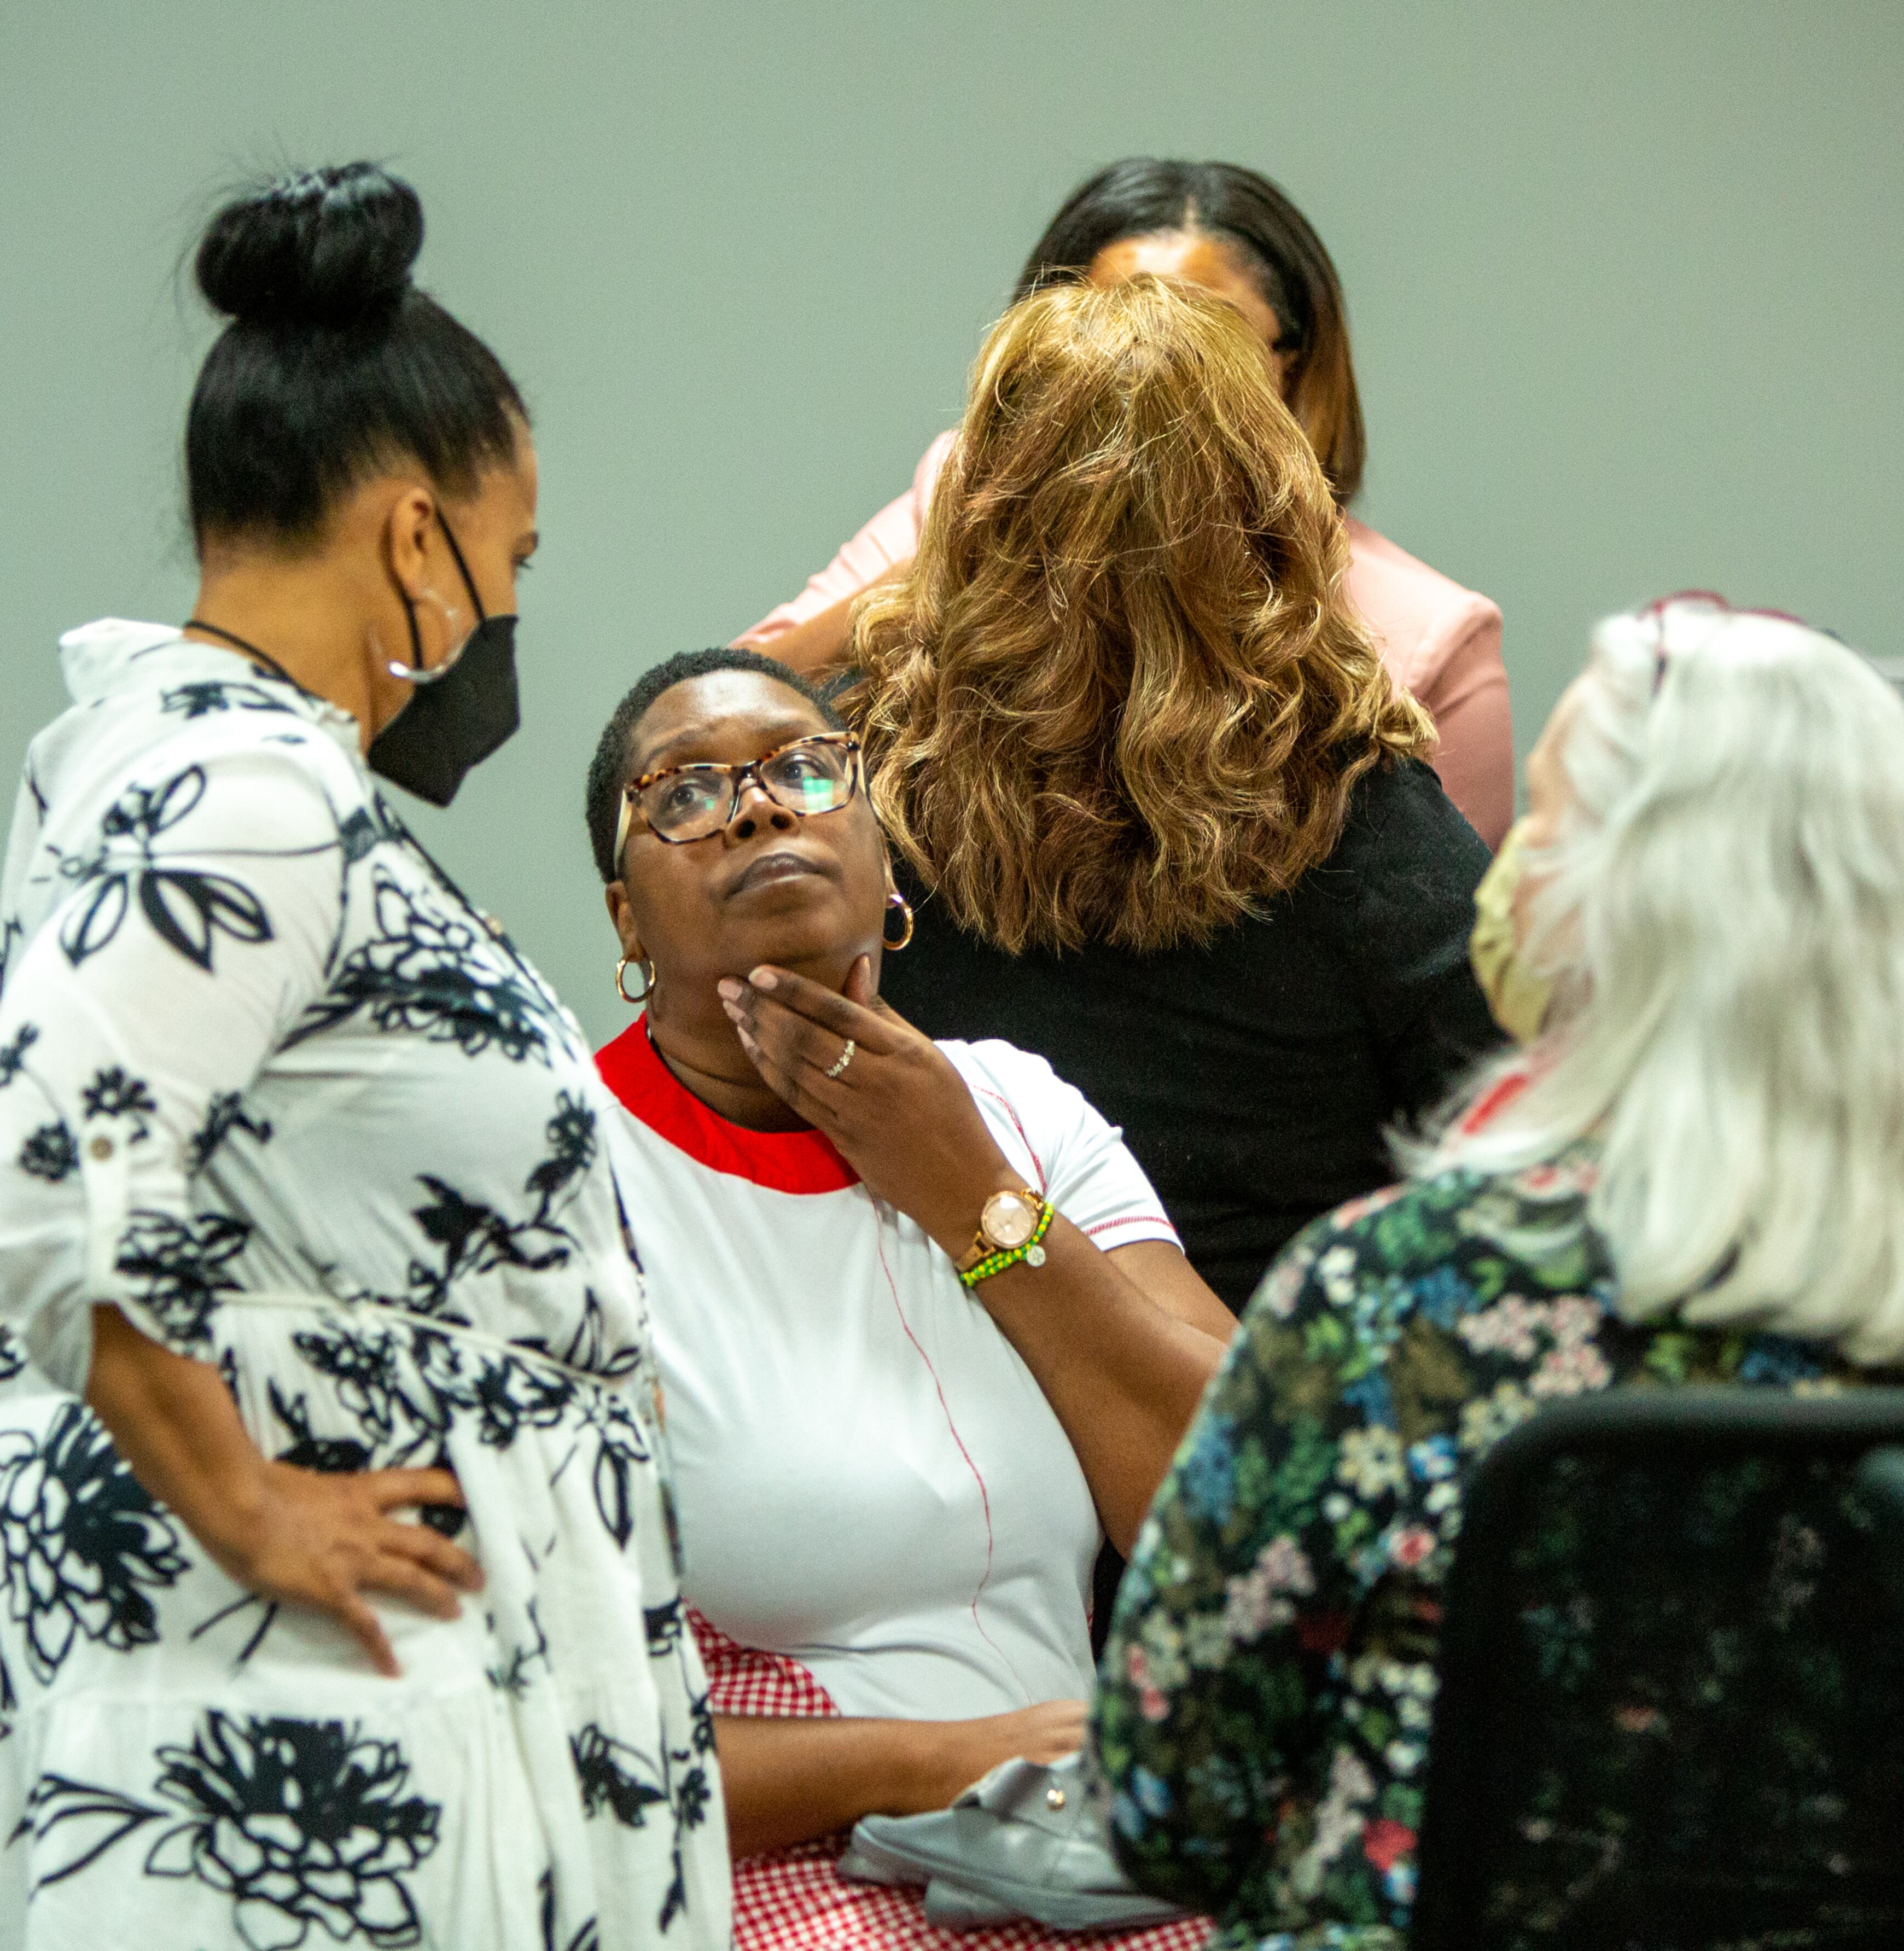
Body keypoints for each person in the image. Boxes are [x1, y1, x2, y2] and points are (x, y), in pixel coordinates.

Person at [0, 165, 730, 1949]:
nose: (508, 609)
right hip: (303, 1704)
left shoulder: (199, 762)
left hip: (331, 1684)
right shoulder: (251, 781)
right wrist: (246, 1501)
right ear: (409, 532)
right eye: (509, 558)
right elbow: (59, 1147)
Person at [1096, 595, 1904, 1947]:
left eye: (1541, 818)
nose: (1500, 868)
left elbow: (1168, 1796)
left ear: (1630, 908)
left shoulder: (1395, 1300)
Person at [583, 647, 1238, 1948]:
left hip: (1071, 1846)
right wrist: (932, 1755)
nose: (760, 807)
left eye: (804, 769)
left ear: (887, 865)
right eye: (687, 793)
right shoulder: (566, 1174)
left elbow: (1236, 1510)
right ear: (624, 923)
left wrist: (975, 1197)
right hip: (787, 1865)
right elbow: (555, 1744)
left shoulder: (1017, 1111)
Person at [839, 275, 1504, 1317]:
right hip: (1261, 1408)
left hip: (940, 1394)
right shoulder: (1356, 806)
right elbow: (1520, 1142)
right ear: (1273, 512)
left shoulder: (858, 774)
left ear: (975, 510)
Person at [737, 158, 1513, 846]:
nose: (1153, 377)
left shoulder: (1431, 634)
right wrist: (964, 555)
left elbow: (1456, 975)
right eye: (1106, 340)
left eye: (1211, 341)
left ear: (1293, 370)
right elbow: (721, 723)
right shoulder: (950, 496)